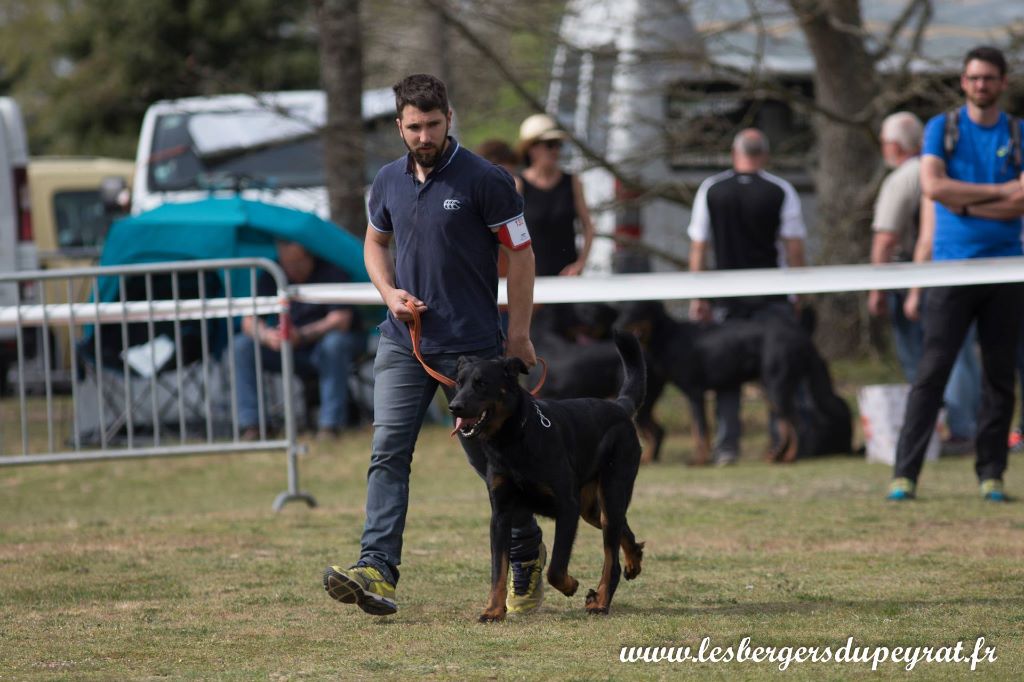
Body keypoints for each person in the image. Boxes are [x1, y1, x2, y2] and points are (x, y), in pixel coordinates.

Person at [323, 74, 544, 616]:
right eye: (414, 126)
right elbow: (375, 243)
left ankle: (526, 550)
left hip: (472, 353)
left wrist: (517, 332)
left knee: (495, 466)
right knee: (388, 452)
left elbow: (521, 256)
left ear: (450, 119)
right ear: (399, 125)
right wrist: (387, 292)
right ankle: (377, 569)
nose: (424, 136)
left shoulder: (486, 180)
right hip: (403, 342)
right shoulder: (387, 181)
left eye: (434, 125)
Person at [888, 46, 1024, 502]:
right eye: (973, 78)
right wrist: (1001, 192)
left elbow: (1022, 201)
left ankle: (991, 474)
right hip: (951, 269)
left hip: (1006, 269)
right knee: (932, 373)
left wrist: (964, 201)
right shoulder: (940, 129)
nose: (980, 85)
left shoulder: (1017, 133)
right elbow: (933, 186)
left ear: (1003, 82)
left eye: (988, 78)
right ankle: (904, 475)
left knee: (999, 377)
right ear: (963, 82)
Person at [687, 128, 807, 465]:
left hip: (727, 298)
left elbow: (699, 247)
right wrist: (799, 295)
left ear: (733, 153)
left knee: (726, 375)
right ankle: (780, 442)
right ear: (765, 155)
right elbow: (794, 247)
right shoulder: (781, 189)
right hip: (773, 296)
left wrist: (698, 295)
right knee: (776, 373)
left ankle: (727, 447)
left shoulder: (711, 189)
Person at [868, 112, 981, 453]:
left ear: (894, 145)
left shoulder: (903, 179)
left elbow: (886, 238)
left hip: (915, 279)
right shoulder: (953, 172)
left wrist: (878, 288)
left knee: (923, 359)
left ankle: (943, 431)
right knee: (962, 354)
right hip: (960, 272)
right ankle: (964, 427)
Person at [234, 241, 360, 440]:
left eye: (297, 262)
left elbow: (341, 320)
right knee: (242, 346)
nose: (292, 269)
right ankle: (253, 425)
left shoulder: (331, 271)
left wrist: (301, 335)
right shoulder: (272, 273)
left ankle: (330, 425)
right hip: (287, 349)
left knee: (335, 343)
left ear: (309, 255)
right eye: (286, 263)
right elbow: (248, 322)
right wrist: (268, 336)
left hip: (323, 346)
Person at [517, 113, 595, 277]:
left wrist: (580, 264)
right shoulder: (518, 185)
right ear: (532, 148)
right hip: (532, 279)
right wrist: (521, 268)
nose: (556, 150)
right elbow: (509, 234)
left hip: (567, 280)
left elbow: (588, 227)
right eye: (550, 144)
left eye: (558, 145)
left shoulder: (573, 182)